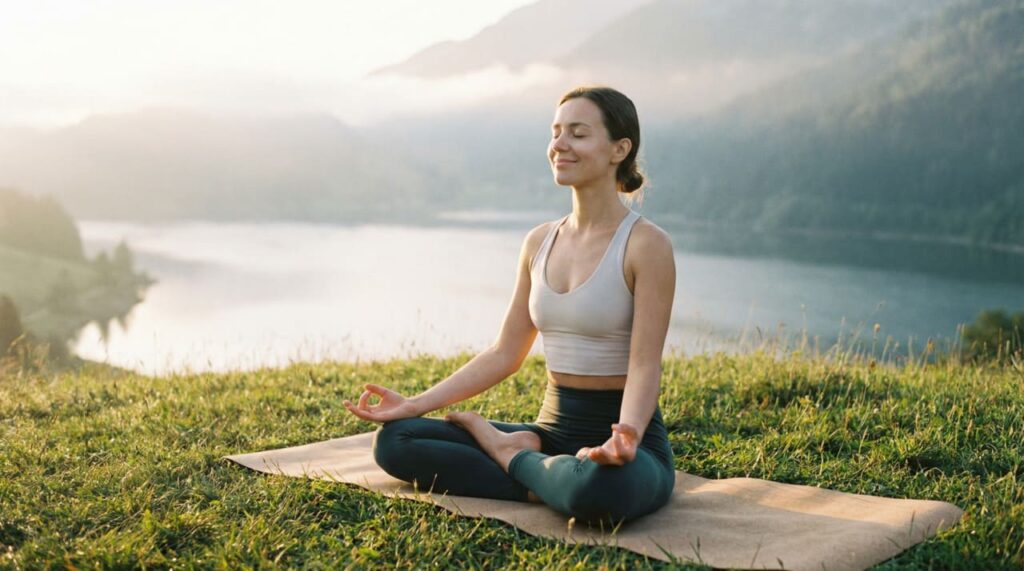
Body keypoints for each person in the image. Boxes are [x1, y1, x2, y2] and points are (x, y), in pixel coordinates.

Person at [344, 86, 677, 526]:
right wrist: (413, 405)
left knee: (603, 487)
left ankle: (511, 457)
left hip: (627, 439)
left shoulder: (647, 245)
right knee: (396, 441)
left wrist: (628, 435)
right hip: (550, 433)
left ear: (620, 148)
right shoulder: (539, 242)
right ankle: (546, 475)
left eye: (577, 134)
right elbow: (505, 352)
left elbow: (643, 365)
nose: (559, 144)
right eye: (556, 132)